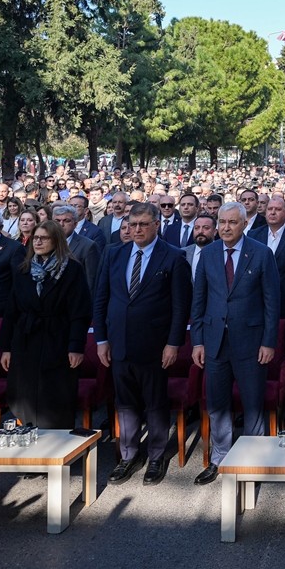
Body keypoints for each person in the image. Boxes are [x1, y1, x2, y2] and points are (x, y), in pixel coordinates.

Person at [93, 202, 191, 486]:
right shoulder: (114, 254)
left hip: (155, 346)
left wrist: (173, 343)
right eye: (132, 224)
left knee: (155, 403)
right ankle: (129, 454)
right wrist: (101, 339)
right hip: (118, 343)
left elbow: (180, 306)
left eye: (143, 224)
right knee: (125, 402)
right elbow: (101, 299)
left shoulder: (173, 257)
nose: (136, 230)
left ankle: (157, 455)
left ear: (156, 225)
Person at [191, 202, 281, 486]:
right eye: (222, 222)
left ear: (244, 224)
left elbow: (271, 302)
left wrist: (269, 342)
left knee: (253, 403)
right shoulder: (208, 254)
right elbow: (199, 300)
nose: (226, 227)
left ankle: (253, 460)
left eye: (232, 222)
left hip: (251, 342)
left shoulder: (261, 253)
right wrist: (198, 342)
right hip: (215, 340)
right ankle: (220, 458)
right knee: (217, 404)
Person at [0, 220, 90, 430]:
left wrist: (76, 346)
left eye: (43, 238)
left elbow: (80, 312)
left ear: (56, 240)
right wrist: (5, 347)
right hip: (25, 339)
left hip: (57, 338)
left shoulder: (71, 269)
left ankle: (56, 452)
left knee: (55, 398)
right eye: (35, 238)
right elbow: (12, 310)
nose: (38, 242)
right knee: (24, 396)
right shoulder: (23, 268)